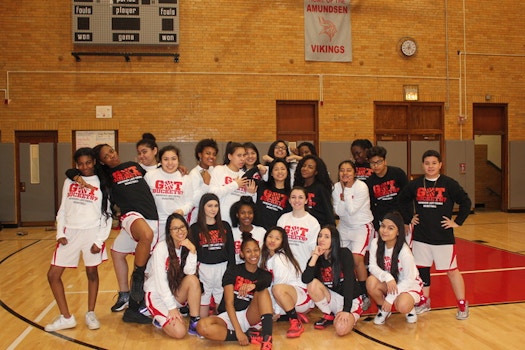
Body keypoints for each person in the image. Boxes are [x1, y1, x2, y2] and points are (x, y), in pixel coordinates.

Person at [67, 143, 159, 324]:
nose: (112, 156)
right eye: (106, 156)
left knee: (117, 252)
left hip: (150, 216)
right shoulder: (103, 176)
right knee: (146, 236)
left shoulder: (135, 167)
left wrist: (179, 169)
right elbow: (70, 171)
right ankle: (136, 281)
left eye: (111, 151)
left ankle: (127, 294)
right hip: (130, 216)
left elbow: (158, 172)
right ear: (101, 162)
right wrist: (76, 176)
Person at [398, 150, 472, 320]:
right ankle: (424, 301)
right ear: (423, 165)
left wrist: (458, 221)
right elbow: (402, 200)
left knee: (452, 271)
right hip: (421, 236)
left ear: (440, 165)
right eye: (427, 163)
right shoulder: (416, 184)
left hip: (443, 238)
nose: (430, 166)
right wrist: (409, 218)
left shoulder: (449, 184)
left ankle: (462, 303)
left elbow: (466, 201)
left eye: (434, 163)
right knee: (422, 269)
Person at [45, 147, 112, 332]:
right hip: (70, 233)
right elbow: (63, 209)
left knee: (91, 273)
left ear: (94, 162)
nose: (84, 167)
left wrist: (99, 241)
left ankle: (90, 312)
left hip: (92, 232)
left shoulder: (102, 182)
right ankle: (66, 317)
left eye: (88, 163)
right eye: (80, 164)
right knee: (53, 275)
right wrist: (60, 233)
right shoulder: (70, 181)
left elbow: (107, 214)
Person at [109, 133, 159, 316]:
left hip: (153, 221)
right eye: (139, 153)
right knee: (116, 252)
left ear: (155, 151)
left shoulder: (163, 170)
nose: (141, 156)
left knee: (149, 265)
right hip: (134, 219)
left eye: (145, 151)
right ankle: (124, 294)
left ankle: (146, 301)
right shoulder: (136, 169)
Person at [196, 232, 274, 350]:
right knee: (202, 326)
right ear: (242, 254)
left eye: (255, 250)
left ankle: (267, 339)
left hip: (249, 315)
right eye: (248, 251)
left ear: (260, 251)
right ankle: (247, 336)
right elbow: (228, 303)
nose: (253, 254)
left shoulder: (264, 275)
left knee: (262, 291)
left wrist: (253, 286)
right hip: (229, 314)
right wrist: (238, 332)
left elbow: (265, 282)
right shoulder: (233, 270)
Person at [144, 213, 202, 338]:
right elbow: (161, 282)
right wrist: (171, 308)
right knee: (180, 332)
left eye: (182, 227)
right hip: (157, 295)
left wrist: (192, 251)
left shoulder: (185, 246)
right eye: (175, 228)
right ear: (169, 232)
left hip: (174, 292)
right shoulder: (161, 248)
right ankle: (157, 316)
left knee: (192, 280)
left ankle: (194, 323)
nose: (180, 231)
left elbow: (190, 273)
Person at [301, 225, 363, 336]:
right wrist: (315, 256)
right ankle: (328, 315)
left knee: (341, 329)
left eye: (326, 237)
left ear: (334, 240)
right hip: (332, 297)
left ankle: (344, 316)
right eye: (320, 236)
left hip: (350, 299)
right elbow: (305, 279)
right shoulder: (317, 258)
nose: (321, 239)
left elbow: (350, 282)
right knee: (312, 284)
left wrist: (346, 309)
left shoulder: (344, 254)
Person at [366, 212, 424, 325]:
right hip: (390, 283)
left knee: (402, 305)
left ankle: (409, 309)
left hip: (408, 285)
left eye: (390, 228)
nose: (385, 230)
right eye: (383, 226)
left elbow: (409, 279)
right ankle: (385, 310)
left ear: (398, 232)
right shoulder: (375, 243)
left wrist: (390, 299)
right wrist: (387, 277)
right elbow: (372, 266)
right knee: (371, 282)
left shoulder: (404, 252)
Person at [332, 160, 374, 310]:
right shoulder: (336, 187)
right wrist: (344, 198)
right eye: (342, 170)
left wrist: (347, 191)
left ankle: (364, 294)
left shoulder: (361, 187)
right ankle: (348, 291)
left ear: (355, 173)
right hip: (344, 226)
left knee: (356, 260)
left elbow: (352, 210)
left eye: (348, 170)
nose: (345, 173)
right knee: (340, 259)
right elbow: (339, 211)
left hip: (361, 227)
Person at [260, 226, 314, 338]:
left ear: (282, 242)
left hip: (302, 297)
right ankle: (291, 314)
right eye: (270, 237)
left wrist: (276, 312)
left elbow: (278, 288)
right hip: (287, 296)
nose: (272, 240)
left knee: (277, 289)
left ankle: (295, 321)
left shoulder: (280, 258)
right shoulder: (266, 258)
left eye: (277, 238)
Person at [190, 193, 236, 318]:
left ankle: (222, 327)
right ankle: (202, 328)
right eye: (209, 205)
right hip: (204, 268)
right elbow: (192, 254)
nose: (213, 209)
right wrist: (194, 273)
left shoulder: (225, 225)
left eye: (216, 206)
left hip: (222, 267)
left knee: (222, 300)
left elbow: (231, 250)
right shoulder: (195, 228)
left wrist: (231, 271)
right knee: (203, 300)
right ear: (202, 207)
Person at [144, 145, 193, 241]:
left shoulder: (186, 178)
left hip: (176, 226)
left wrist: (182, 211)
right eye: (166, 159)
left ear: (178, 160)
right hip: (154, 224)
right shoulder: (150, 176)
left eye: (174, 159)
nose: (170, 163)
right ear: (160, 161)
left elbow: (190, 202)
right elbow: (144, 200)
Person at [209, 142, 256, 226]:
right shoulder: (219, 170)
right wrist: (235, 185)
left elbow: (248, 204)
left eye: (244, 155)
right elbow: (212, 194)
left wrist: (251, 194)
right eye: (239, 155)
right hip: (220, 219)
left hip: (237, 223)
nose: (242, 159)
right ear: (230, 156)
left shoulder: (244, 175)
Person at [365, 146, 409, 233]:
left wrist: (407, 221)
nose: (376, 166)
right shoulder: (369, 182)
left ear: (385, 161)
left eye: (379, 162)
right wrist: (377, 226)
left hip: (400, 219)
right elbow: (372, 206)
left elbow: (407, 198)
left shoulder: (398, 173)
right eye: (372, 163)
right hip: (383, 221)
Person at [277, 186, 321, 270]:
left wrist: (309, 270)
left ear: (306, 200)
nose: (297, 200)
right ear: (289, 200)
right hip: (284, 267)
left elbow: (313, 249)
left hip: (302, 267)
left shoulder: (313, 222)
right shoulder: (283, 219)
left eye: (300, 197)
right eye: (293, 197)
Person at [294, 155, 335, 226]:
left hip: (318, 227)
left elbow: (328, 211)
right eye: (304, 166)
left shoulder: (320, 188)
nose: (305, 169)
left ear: (316, 172)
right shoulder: (298, 187)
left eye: (310, 167)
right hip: (301, 226)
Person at [253, 158, 292, 229]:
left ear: (287, 172)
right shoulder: (262, 185)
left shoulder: (290, 194)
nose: (280, 172)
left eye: (283, 169)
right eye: (276, 169)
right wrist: (257, 167)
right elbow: (245, 178)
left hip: (275, 234)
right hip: (257, 231)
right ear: (271, 173)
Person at [188, 138, 218, 225]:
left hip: (212, 215)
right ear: (200, 154)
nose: (211, 157)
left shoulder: (215, 170)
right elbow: (194, 201)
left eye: (214, 154)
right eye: (208, 153)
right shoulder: (194, 173)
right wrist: (205, 184)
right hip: (197, 217)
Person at [230, 196, 266, 265]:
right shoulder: (231, 233)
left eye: (250, 213)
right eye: (243, 213)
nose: (247, 216)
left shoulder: (262, 232)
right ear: (237, 215)